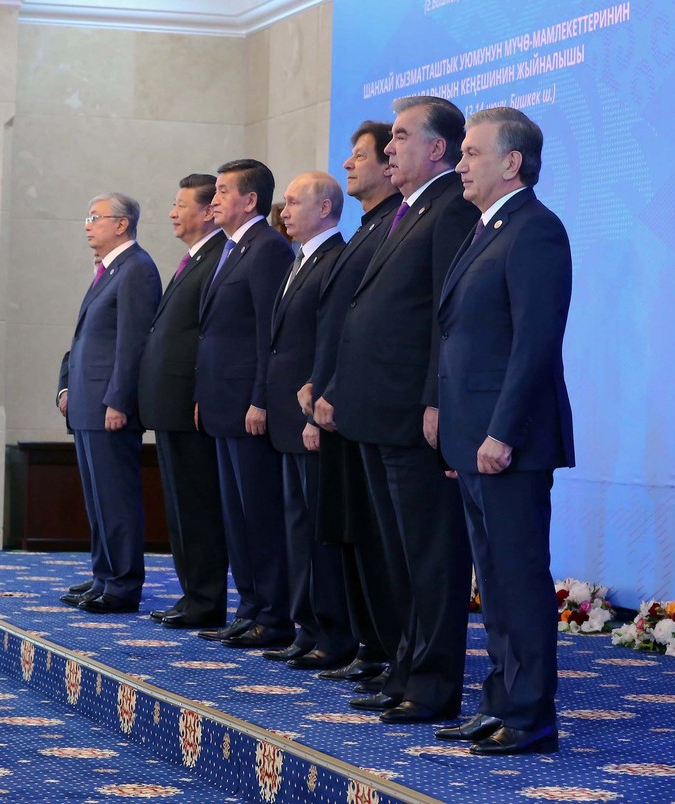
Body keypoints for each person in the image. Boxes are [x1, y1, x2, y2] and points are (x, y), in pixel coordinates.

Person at [318, 96, 478, 723]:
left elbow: (446, 316)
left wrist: (436, 400)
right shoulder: (408, 211)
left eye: (403, 136)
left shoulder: (450, 208)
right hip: (378, 413)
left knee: (430, 557)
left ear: (437, 149)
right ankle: (405, 669)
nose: (389, 148)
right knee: (400, 557)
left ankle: (433, 685)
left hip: (413, 415)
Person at [435, 107, 574, 755]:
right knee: (491, 581)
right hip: (475, 439)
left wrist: (501, 433)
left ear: (511, 162)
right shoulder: (486, 228)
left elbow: (535, 344)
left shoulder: (535, 229)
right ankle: (500, 701)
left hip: (509, 442)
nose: (460, 164)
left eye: (471, 153)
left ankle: (530, 716)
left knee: (518, 578)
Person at [307, 121, 402, 685]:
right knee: (349, 531)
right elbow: (337, 323)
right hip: (337, 403)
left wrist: (333, 388)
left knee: (370, 534)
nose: (348, 164)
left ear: (390, 166)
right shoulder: (368, 228)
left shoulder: (392, 227)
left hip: (358, 403)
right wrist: (316, 382)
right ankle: (370, 643)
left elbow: (374, 327)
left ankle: (383, 647)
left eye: (360, 156)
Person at [195, 159, 296, 648]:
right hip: (222, 403)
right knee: (236, 517)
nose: (213, 200)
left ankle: (272, 615)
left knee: (259, 515)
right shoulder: (231, 247)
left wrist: (260, 398)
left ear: (250, 200)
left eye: (222, 191)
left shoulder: (268, 247)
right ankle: (249, 607)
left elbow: (267, 333)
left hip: (248, 407)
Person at [262, 171, 355, 669]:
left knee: (319, 531)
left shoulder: (335, 259)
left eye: (294, 202)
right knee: (297, 528)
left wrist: (314, 411)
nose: (284, 211)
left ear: (324, 209)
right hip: (287, 418)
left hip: (311, 417)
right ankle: (307, 625)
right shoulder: (298, 259)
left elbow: (328, 342)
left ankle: (332, 631)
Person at [57, 192, 162, 613]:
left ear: (121, 224)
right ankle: (103, 574)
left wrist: (119, 400)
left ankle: (122, 584)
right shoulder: (108, 269)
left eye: (95, 217)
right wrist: (66, 386)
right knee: (98, 498)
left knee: (116, 498)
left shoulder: (136, 268)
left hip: (109, 406)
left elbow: (133, 343)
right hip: (88, 401)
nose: (88, 225)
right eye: (87, 217)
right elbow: (86, 338)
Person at [137, 174, 229, 629]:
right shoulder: (194, 257)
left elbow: (210, 337)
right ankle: (192, 593)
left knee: (197, 507)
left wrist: (198, 394)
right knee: (179, 508)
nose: (172, 213)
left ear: (208, 211)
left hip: (191, 407)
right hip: (170, 405)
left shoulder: (218, 257)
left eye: (181, 205)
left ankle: (205, 599)